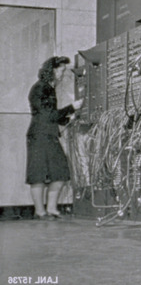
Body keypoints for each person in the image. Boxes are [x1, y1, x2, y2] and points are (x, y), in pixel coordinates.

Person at [26, 56, 83, 219]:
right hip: (39, 135)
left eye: (63, 70)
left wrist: (67, 119)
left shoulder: (48, 88)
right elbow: (47, 115)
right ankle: (40, 212)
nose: (61, 73)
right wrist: (72, 107)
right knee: (38, 175)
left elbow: (52, 116)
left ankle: (51, 209)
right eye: (59, 69)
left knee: (60, 173)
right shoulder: (41, 88)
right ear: (50, 69)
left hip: (48, 135)